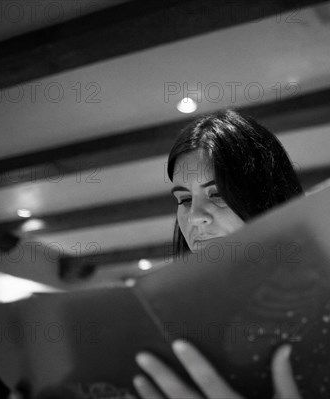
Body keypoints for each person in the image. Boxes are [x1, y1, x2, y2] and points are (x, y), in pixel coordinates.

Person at [132, 110, 305, 398]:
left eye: (218, 194)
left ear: (266, 198)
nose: (196, 217)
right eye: (184, 199)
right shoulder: (166, 326)